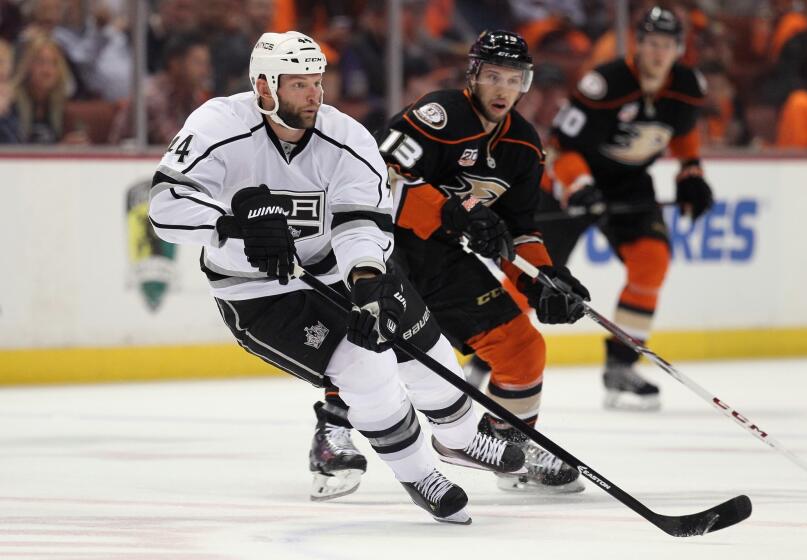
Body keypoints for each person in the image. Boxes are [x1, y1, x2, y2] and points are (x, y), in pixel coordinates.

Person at [148, 31, 526, 525]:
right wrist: (229, 224)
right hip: (260, 292)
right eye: (299, 84)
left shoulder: (346, 137)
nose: (314, 95)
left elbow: (361, 221)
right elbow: (164, 206)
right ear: (264, 87)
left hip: (339, 267)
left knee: (429, 357)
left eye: (317, 82)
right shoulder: (217, 125)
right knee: (367, 372)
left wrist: (367, 280)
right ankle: (419, 474)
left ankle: (459, 438)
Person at [311, 30, 592, 496]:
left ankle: (507, 448)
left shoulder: (522, 146)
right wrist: (451, 212)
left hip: (440, 258)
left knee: (522, 348)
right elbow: (373, 182)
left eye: (514, 79)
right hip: (379, 246)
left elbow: (519, 230)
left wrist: (543, 281)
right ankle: (331, 434)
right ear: (473, 75)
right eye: (494, 76)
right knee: (368, 340)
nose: (503, 89)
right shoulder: (438, 116)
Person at [541, 6, 713, 411]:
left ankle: (621, 365)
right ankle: (487, 356)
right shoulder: (607, 84)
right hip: (570, 180)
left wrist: (691, 172)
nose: (657, 53)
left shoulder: (688, 86)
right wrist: (580, 188)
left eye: (665, 45)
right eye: (650, 44)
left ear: (678, 49)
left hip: (630, 183)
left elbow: (683, 134)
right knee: (532, 274)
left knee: (651, 262)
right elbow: (561, 147)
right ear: (638, 45)